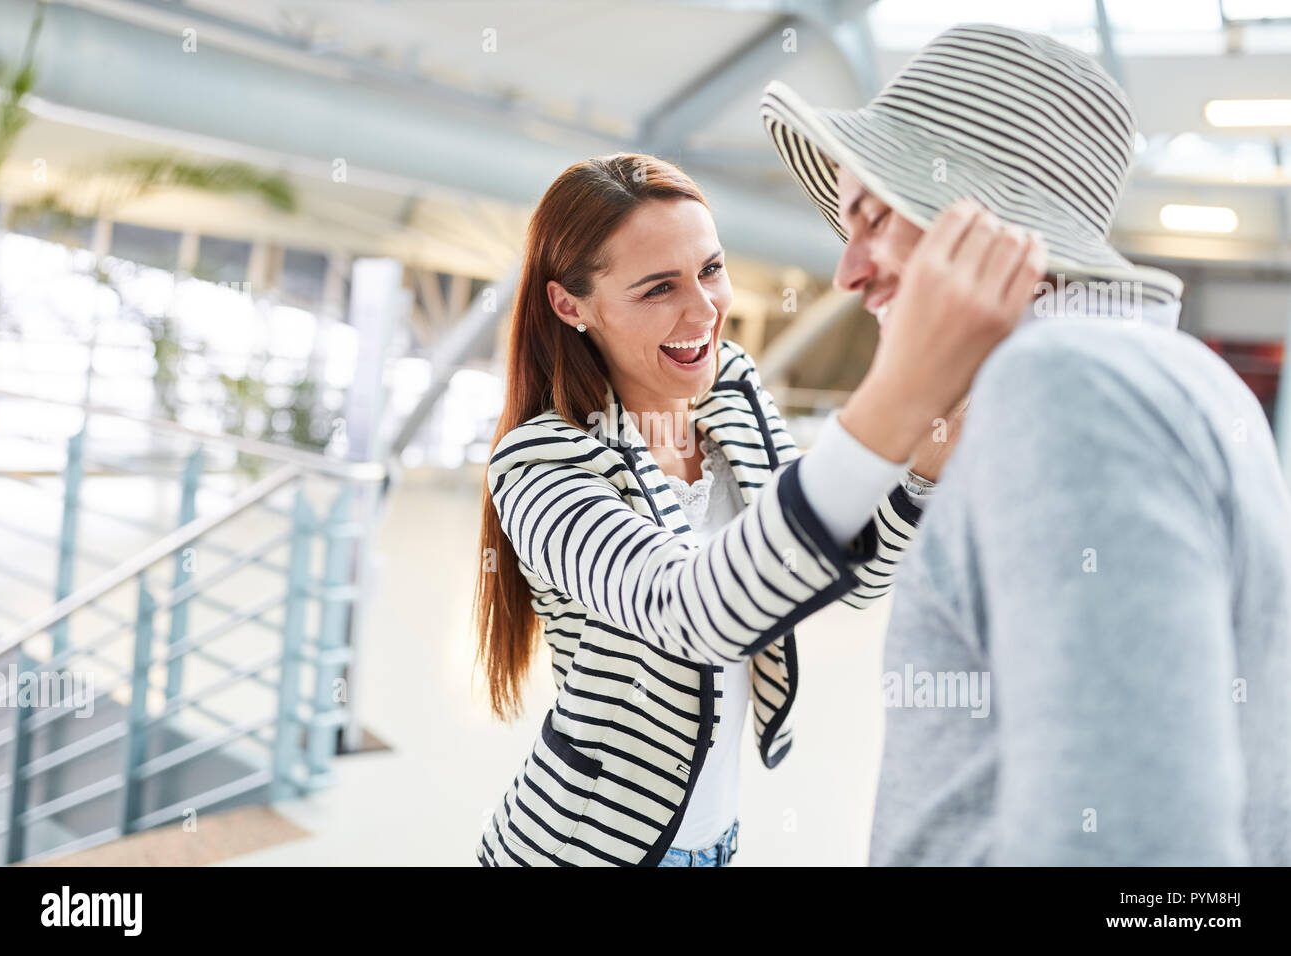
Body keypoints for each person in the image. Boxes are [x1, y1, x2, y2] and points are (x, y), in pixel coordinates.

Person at [760, 22, 1291, 865]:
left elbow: (1137, 856)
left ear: (980, 221)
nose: (848, 270)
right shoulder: (1179, 378)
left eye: (870, 215)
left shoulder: (1067, 390)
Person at [470, 152, 1044, 866]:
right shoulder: (542, 465)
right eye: (658, 288)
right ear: (570, 305)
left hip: (717, 841)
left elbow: (847, 572)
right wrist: (896, 398)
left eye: (711, 270)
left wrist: (927, 456)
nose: (705, 311)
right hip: (581, 847)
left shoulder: (734, 388)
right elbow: (693, 614)